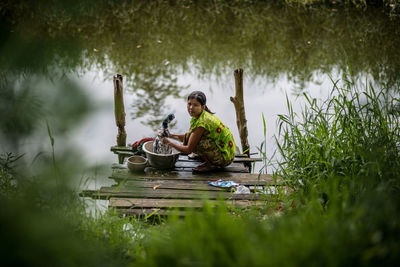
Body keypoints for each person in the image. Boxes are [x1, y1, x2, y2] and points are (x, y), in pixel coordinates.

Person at [161, 91, 236, 172]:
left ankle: (211, 164)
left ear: (203, 107)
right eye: (189, 104)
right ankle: (207, 157)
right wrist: (170, 135)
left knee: (197, 143)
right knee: (191, 137)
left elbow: (188, 150)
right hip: (225, 151)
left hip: (225, 158)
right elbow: (189, 136)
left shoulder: (202, 123)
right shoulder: (198, 116)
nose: (191, 107)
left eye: (195, 105)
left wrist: (168, 142)